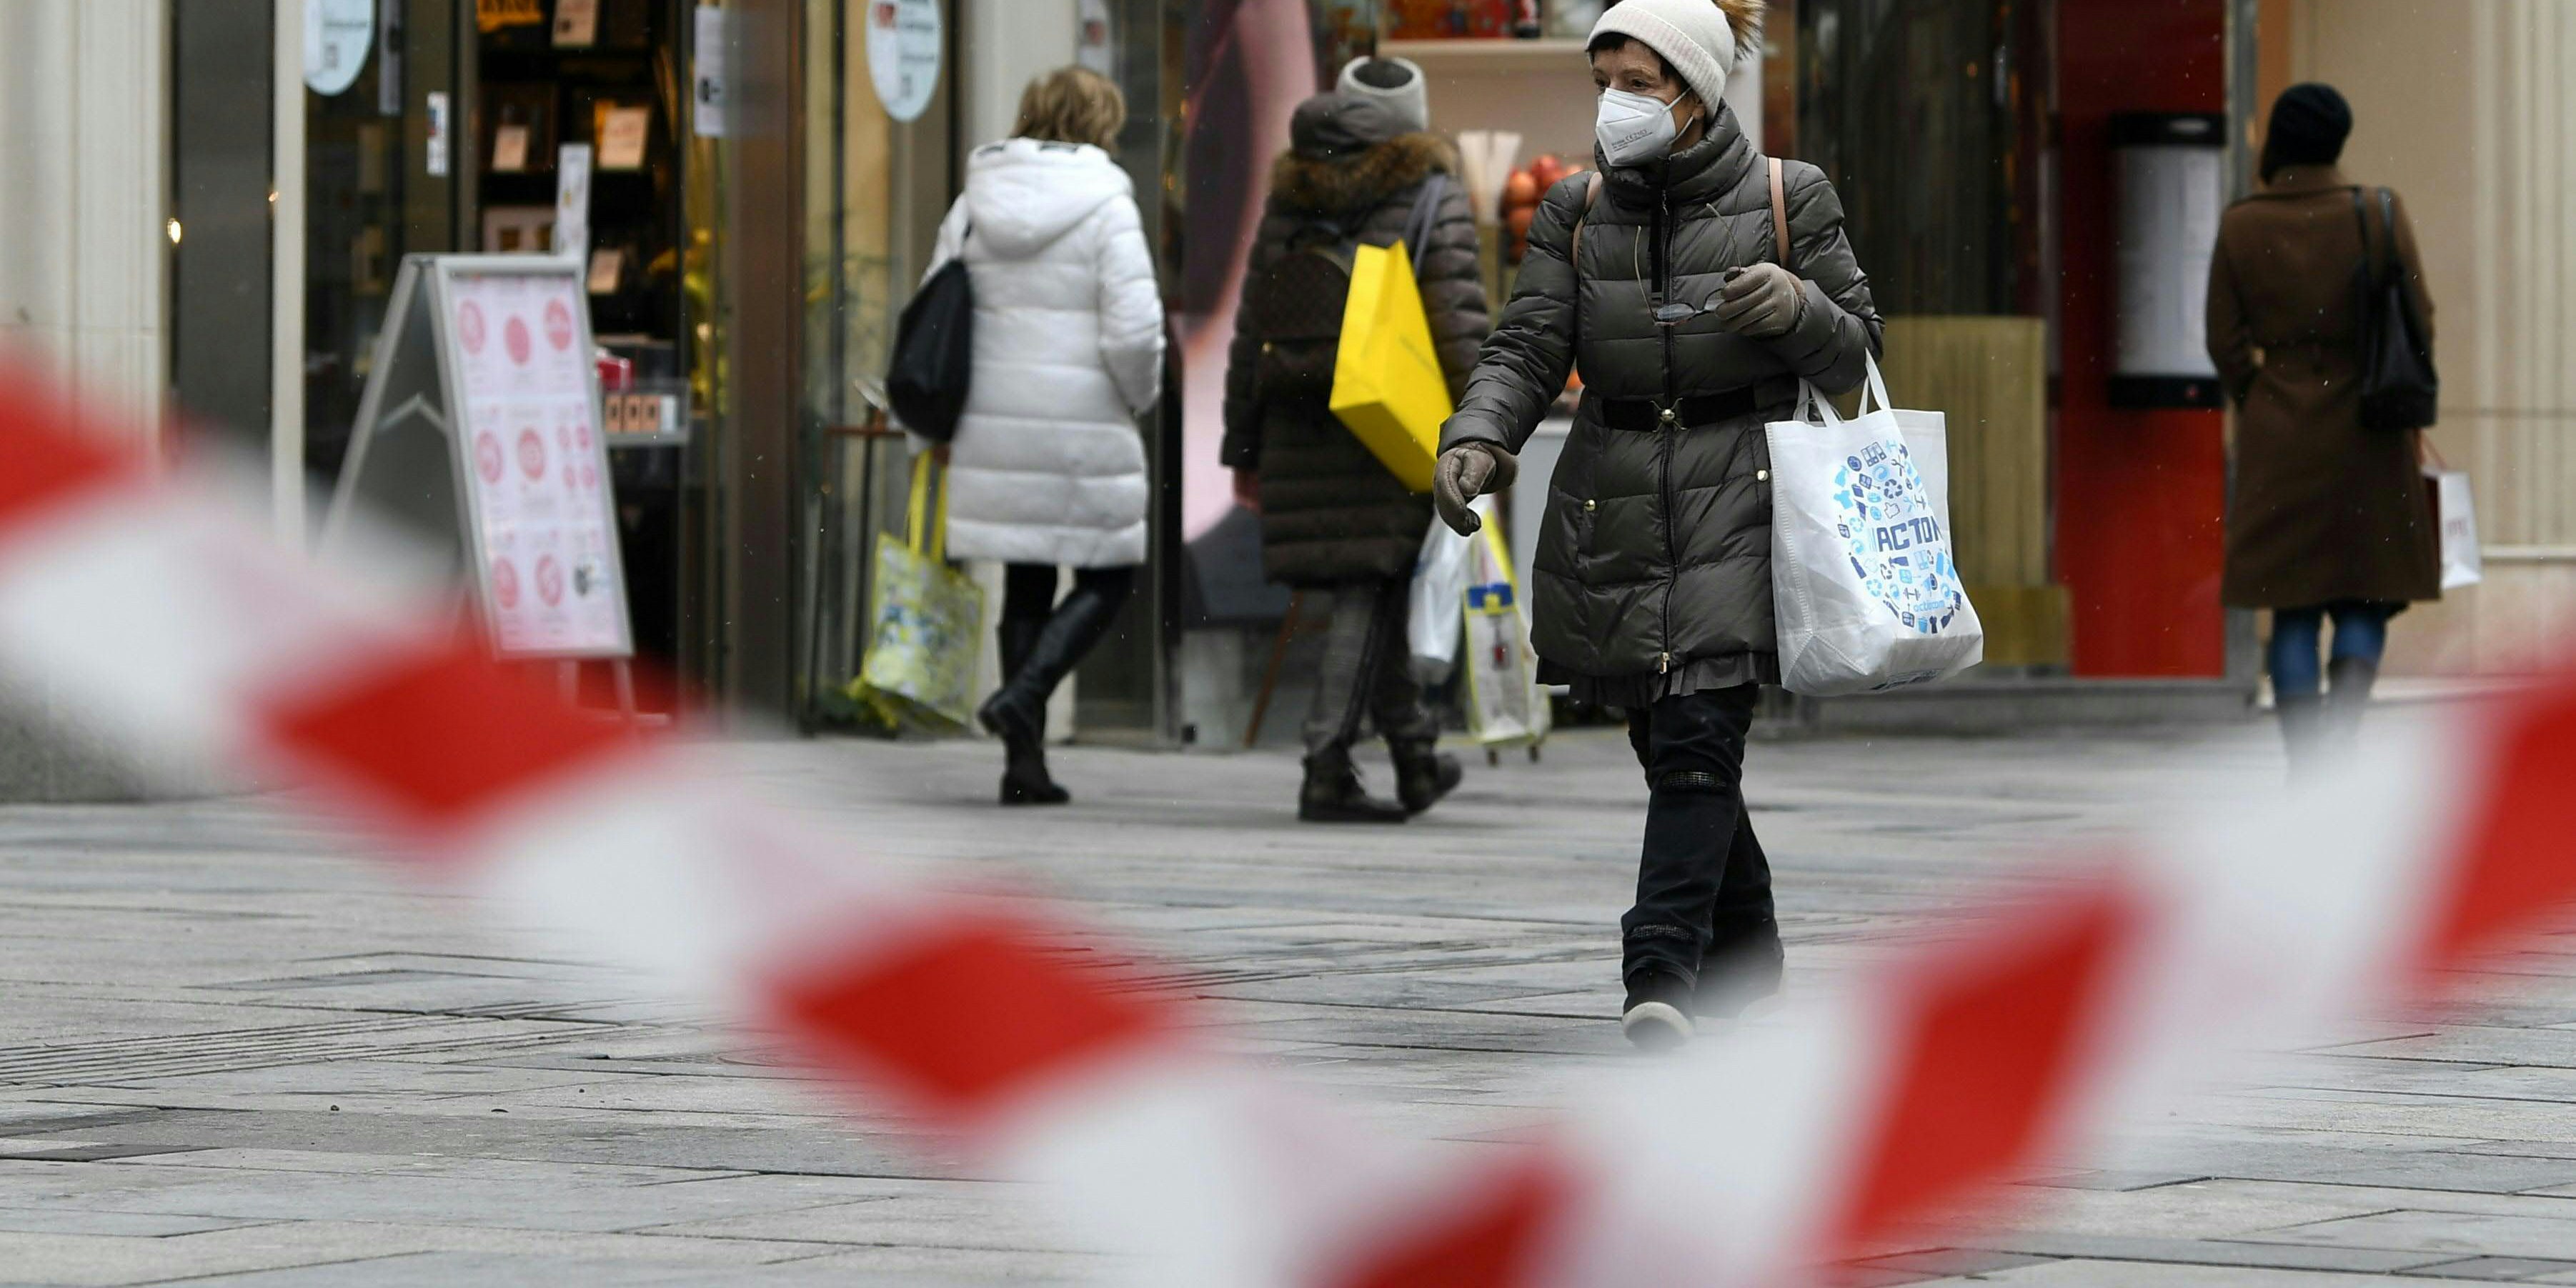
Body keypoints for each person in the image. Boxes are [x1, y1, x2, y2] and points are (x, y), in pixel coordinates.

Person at [1428, 0, 1881, 1047]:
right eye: (1607, 81)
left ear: (1696, 89)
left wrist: (1797, 308)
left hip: (1740, 490)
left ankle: (1660, 970)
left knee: (1696, 729)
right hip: (1613, 493)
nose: (1617, 104)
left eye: (1640, 81)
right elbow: (1527, 343)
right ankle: (1748, 941)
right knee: (1664, 735)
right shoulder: (1578, 209)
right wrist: (1478, 438)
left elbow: (1856, 350)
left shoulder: (1788, 196)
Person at [1222, 85, 1490, 823]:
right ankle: (1325, 763)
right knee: (1366, 585)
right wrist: (1483, 429)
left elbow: (1252, 326)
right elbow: (1456, 315)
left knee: (1376, 580)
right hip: (1381, 417)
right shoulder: (1428, 191)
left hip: (1293, 417)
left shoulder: (1290, 193)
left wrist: (1239, 442)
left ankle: (1412, 757)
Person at [921, 66, 1164, 806]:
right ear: (1101, 122)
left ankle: (1021, 764)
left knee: (1026, 577)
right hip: (1082, 420)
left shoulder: (973, 203)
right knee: (1107, 574)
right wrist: (1138, 396)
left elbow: (936, 309)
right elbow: (1133, 331)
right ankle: (1024, 694)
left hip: (992, 421)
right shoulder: (1107, 205)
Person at [2207, 83, 2440, 777]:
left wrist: (2262, 394)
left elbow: (2222, 340)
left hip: (2278, 434)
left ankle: (2306, 761)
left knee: (2293, 606)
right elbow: (2418, 322)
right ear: (2337, 140)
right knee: (2364, 590)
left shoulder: (2240, 224)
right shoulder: (2376, 212)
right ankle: (2341, 733)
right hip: (2368, 428)